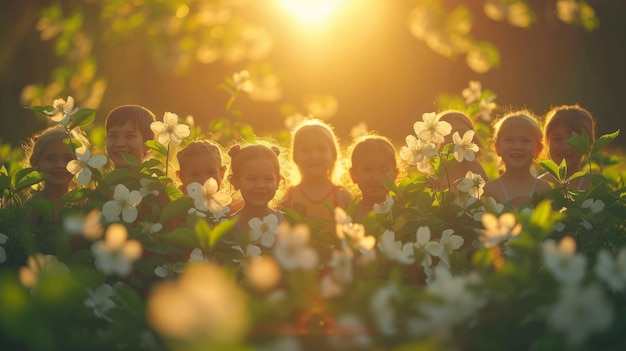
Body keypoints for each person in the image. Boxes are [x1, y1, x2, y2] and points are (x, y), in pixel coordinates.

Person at [282, 119, 352, 222]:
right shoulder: (288, 196)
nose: (314, 156)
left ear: (333, 154)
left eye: (322, 149)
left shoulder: (343, 196)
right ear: (295, 157)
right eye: (306, 150)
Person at [483, 111, 551, 209]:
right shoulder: (490, 188)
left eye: (526, 141)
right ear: (497, 148)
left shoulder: (543, 188)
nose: (517, 147)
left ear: (539, 150)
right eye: (509, 140)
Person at [22, 125, 86, 216]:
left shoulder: (82, 204)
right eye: (50, 158)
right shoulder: (33, 206)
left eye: (68, 158)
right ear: (37, 163)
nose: (60, 165)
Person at [228, 143, 284, 229]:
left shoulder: (287, 223)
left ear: (278, 182)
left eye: (268, 179)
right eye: (252, 179)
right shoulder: (228, 227)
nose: (261, 185)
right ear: (235, 182)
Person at [542, 104, 596, 190]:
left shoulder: (593, 186)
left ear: (587, 143)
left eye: (573, 139)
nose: (564, 147)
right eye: (557, 139)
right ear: (547, 142)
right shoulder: (538, 186)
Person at [347, 134, 399, 218]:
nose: (376, 178)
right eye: (368, 170)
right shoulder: (349, 218)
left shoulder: (404, 213)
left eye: (384, 170)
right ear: (353, 175)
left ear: (395, 175)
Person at [438, 110, 489, 187]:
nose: (455, 138)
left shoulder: (472, 166)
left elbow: (490, 194)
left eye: (462, 132)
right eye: (449, 132)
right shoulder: (437, 168)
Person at [105, 105, 155, 169]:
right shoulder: (96, 178)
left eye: (130, 136)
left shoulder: (153, 179)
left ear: (148, 144)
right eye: (113, 136)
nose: (120, 144)